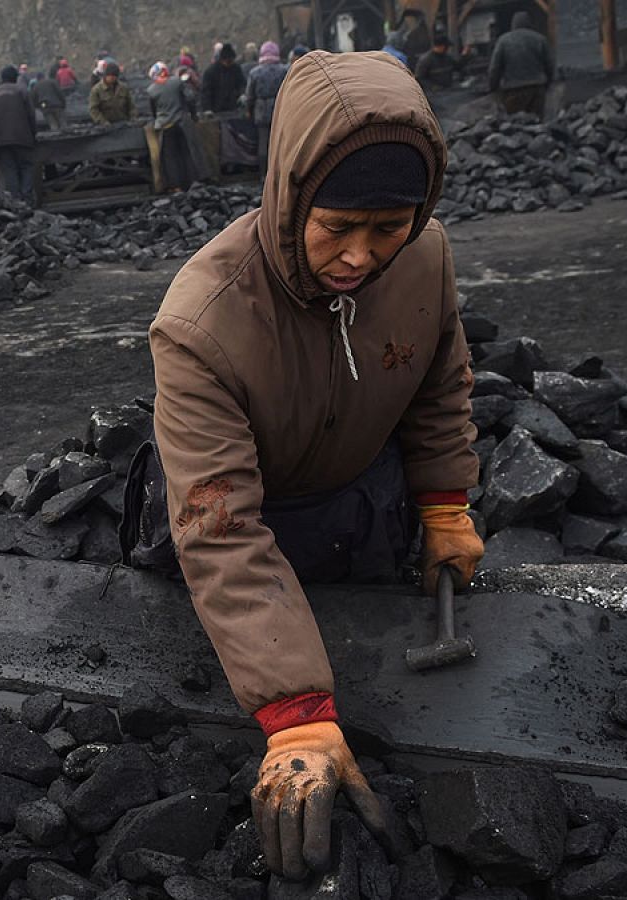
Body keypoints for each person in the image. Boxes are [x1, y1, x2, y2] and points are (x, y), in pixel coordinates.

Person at [143, 51, 480, 879]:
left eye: (387, 227)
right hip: (253, 516)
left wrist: (444, 504)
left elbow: (440, 382)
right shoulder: (202, 322)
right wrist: (294, 712)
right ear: (292, 195)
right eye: (338, 226)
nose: (362, 256)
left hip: (361, 497)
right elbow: (220, 528)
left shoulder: (426, 257)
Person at [0, 65, 40, 203]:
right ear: (15, 78)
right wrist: (33, 134)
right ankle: (27, 198)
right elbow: (31, 115)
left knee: (9, 170)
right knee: (26, 166)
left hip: (0, 140)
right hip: (22, 137)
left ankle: (16, 201)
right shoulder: (22, 91)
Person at [488, 11, 553, 116]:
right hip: (537, 89)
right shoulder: (540, 39)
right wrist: (548, 83)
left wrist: (493, 87)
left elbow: (495, 68)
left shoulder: (503, 41)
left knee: (516, 126)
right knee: (537, 125)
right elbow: (550, 65)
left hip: (513, 91)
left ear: (513, 24)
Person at [146, 61, 198, 192]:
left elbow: (153, 111)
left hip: (165, 126)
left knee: (170, 158)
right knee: (185, 153)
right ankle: (191, 182)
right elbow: (190, 98)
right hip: (181, 123)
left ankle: (175, 186)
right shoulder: (176, 82)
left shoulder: (151, 90)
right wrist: (193, 114)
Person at [241, 41, 287, 178]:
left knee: (263, 143)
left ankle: (264, 175)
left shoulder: (255, 72)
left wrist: (249, 110)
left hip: (261, 109)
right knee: (281, 143)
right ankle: (282, 174)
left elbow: (250, 95)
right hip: (280, 108)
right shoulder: (284, 70)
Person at [201, 42, 247, 114]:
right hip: (216, 108)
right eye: (228, 62)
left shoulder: (236, 69)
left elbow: (241, 83)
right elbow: (206, 91)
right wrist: (207, 108)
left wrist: (242, 94)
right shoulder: (211, 71)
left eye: (231, 61)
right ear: (222, 59)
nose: (229, 64)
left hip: (233, 107)